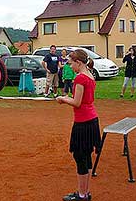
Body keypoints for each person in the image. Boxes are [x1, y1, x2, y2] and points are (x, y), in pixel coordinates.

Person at [56, 49, 101, 201]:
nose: (69, 66)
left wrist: (63, 99)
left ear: (78, 63)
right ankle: (85, 192)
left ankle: (82, 195)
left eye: (71, 63)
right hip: (91, 120)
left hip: (83, 123)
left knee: (80, 157)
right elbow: (82, 100)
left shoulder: (80, 78)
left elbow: (77, 102)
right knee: (86, 157)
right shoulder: (90, 75)